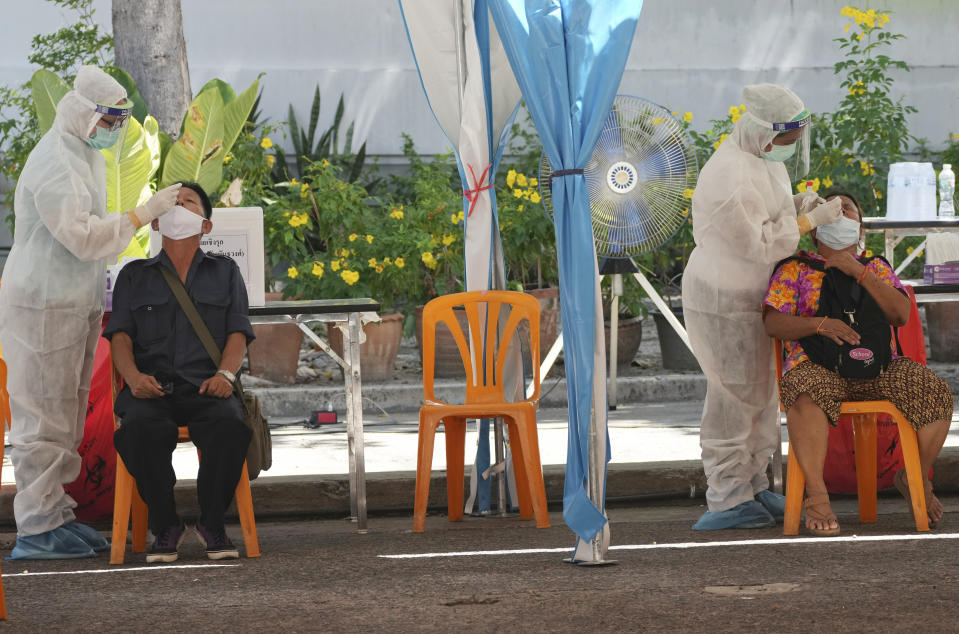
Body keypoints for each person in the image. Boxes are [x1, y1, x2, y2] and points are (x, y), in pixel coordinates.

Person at [0, 66, 180, 559]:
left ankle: (56, 513)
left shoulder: (84, 154)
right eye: (109, 120)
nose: (115, 130)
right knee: (42, 415)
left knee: (67, 411)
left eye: (121, 120)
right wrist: (142, 215)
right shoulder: (57, 160)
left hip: (72, 301)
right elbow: (81, 237)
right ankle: (36, 528)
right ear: (83, 113)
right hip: (41, 304)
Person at [681, 83, 845, 530]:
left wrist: (802, 206)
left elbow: (771, 216)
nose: (788, 151)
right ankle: (726, 497)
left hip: (758, 296)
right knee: (733, 397)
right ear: (762, 132)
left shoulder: (760, 159)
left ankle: (753, 486)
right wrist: (810, 221)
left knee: (761, 394)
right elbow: (757, 242)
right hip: (723, 300)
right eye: (786, 143)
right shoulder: (728, 174)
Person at [763, 191, 953, 535]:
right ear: (814, 229)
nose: (839, 212)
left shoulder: (876, 266)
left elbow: (901, 314)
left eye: (847, 209)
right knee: (805, 393)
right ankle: (816, 496)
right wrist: (819, 324)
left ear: (859, 228)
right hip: (815, 365)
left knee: (935, 392)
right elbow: (772, 323)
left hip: (880, 368)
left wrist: (860, 273)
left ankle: (912, 476)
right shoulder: (796, 269)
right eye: (830, 208)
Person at [105, 182, 254, 563]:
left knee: (230, 426)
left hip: (208, 388)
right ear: (155, 224)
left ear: (205, 225)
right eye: (172, 202)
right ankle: (166, 524)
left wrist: (225, 376)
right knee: (138, 431)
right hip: (151, 390)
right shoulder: (133, 276)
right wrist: (134, 378)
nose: (178, 207)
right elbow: (119, 338)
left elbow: (239, 333)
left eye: (188, 202)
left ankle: (212, 522)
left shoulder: (226, 272)